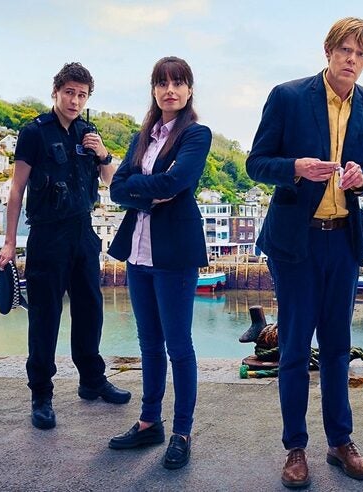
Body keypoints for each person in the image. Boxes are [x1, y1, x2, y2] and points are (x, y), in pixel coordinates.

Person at [245, 17, 363, 489]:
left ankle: (340, 441)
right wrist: (295, 168)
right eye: (345, 49)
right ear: (328, 51)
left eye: (360, 54)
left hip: (343, 241)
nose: (351, 59)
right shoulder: (287, 96)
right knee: (294, 348)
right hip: (295, 242)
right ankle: (295, 448)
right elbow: (256, 163)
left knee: (339, 347)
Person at [0, 62, 131, 430]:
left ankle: (92, 380)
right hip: (46, 234)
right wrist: (10, 242)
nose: (74, 100)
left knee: (91, 308)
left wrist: (103, 152)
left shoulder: (90, 132)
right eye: (69, 92)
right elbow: (16, 190)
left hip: (83, 232)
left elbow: (111, 182)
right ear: (55, 92)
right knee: (45, 315)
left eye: (82, 95)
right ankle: (41, 393)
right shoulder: (34, 132)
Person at [104, 57, 210, 470]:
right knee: (148, 343)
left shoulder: (196, 134)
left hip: (175, 253)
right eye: (162, 83)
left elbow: (175, 182)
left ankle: (181, 432)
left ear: (188, 90)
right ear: (153, 90)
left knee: (178, 346)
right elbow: (116, 188)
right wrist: (146, 194)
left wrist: (139, 188)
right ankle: (150, 422)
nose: (170, 90)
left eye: (178, 82)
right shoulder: (142, 135)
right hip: (138, 252)